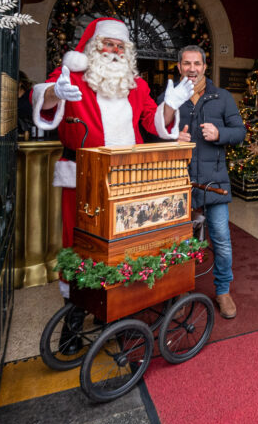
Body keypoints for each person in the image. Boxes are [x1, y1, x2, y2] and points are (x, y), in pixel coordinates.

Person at [32, 17, 194, 292]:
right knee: (80, 237)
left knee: (124, 236)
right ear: (95, 47)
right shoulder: (71, 77)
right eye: (109, 44)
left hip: (127, 175)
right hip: (82, 174)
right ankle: (77, 298)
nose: (115, 51)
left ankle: (120, 295)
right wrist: (54, 93)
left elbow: (150, 121)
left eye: (121, 46)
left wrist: (170, 106)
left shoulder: (137, 86)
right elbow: (42, 100)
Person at [170, 45, 246, 319]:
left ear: (205, 66)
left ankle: (223, 290)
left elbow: (240, 132)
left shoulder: (222, 97)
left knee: (222, 241)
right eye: (187, 63)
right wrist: (170, 138)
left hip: (215, 182)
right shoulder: (170, 99)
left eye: (197, 64)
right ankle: (177, 290)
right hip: (178, 183)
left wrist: (220, 133)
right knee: (178, 241)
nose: (192, 68)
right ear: (179, 67)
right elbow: (148, 131)